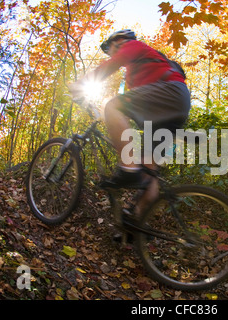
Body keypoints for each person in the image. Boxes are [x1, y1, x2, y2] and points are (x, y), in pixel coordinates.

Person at [69, 29, 191, 216]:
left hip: (170, 93)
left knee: (111, 106)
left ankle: (127, 168)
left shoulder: (133, 45)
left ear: (119, 41)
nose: (110, 53)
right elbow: (130, 107)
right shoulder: (138, 72)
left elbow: (110, 66)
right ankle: (138, 225)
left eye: (109, 48)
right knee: (148, 173)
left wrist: (80, 85)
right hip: (173, 108)